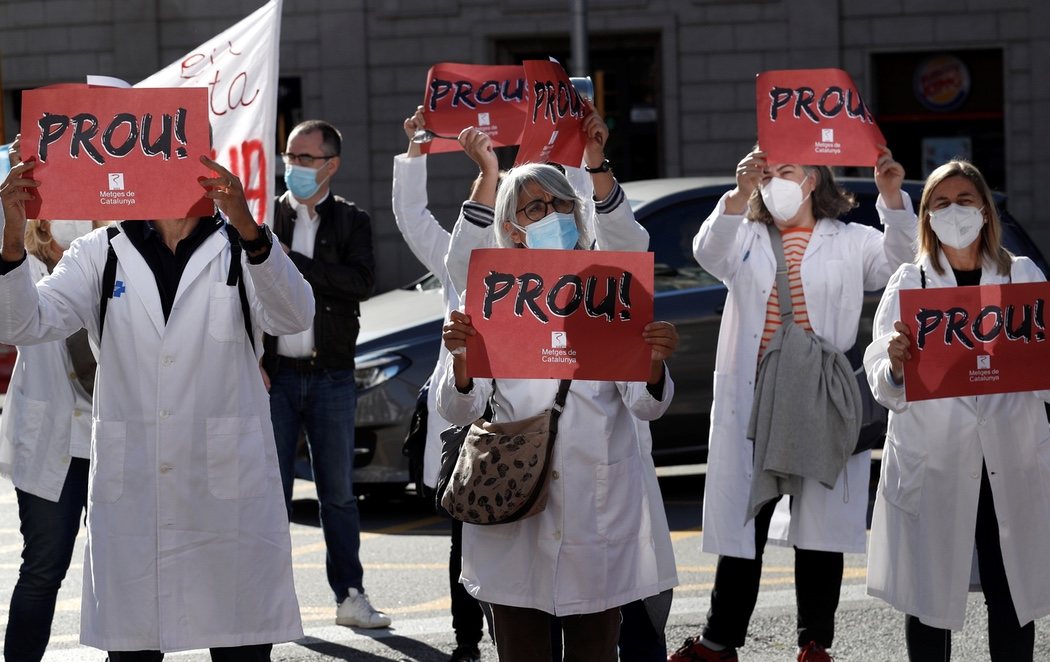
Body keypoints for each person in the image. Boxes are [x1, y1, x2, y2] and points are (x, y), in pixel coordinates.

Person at [0, 150, 310, 657]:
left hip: (224, 495)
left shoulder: (239, 244)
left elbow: (295, 315)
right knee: (134, 647)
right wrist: (13, 240)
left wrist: (251, 230)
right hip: (136, 492)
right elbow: (20, 324)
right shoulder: (101, 250)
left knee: (240, 645)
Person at [673, 146, 916, 662]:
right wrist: (738, 194)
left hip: (821, 397)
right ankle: (719, 642)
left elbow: (901, 261)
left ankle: (814, 644)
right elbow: (706, 252)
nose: (775, 181)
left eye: (786, 171)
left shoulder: (848, 240)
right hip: (757, 398)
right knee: (748, 520)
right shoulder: (746, 236)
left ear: (812, 180)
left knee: (819, 526)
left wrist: (892, 199)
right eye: (768, 173)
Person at [436, 161, 679, 662]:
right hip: (515, 506)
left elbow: (645, 404)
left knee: (594, 648)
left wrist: (654, 362)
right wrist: (460, 358)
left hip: (598, 507)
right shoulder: (487, 293)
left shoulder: (611, 287)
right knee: (522, 647)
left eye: (563, 203)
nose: (555, 215)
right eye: (537, 207)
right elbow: (459, 407)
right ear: (511, 228)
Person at [863, 160, 1050, 662]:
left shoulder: (1022, 277)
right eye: (940, 203)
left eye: (965, 199)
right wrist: (896, 364)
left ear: (986, 211)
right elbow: (881, 375)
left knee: (1009, 591)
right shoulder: (910, 282)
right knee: (930, 598)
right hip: (935, 459)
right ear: (925, 217)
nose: (954, 211)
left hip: (1008, 458)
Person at [260, 118, 386, 628]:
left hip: (332, 375)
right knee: (270, 495)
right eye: (289, 157)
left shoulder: (351, 221)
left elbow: (359, 282)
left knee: (337, 494)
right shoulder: (265, 219)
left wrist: (297, 263)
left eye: (304, 159)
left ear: (331, 164)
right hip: (276, 377)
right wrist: (254, 361)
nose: (293, 167)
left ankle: (350, 595)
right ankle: (269, 603)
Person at [1, 133, 111, 661]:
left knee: (121, 573)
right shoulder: (15, 245)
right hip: (52, 442)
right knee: (43, 568)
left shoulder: (117, 242)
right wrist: (18, 166)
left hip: (114, 437)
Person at [392, 107, 497, 662]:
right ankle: (466, 643)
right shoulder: (456, 263)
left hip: (525, 424)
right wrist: (415, 151)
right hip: (465, 425)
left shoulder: (544, 263)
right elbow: (410, 214)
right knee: (463, 536)